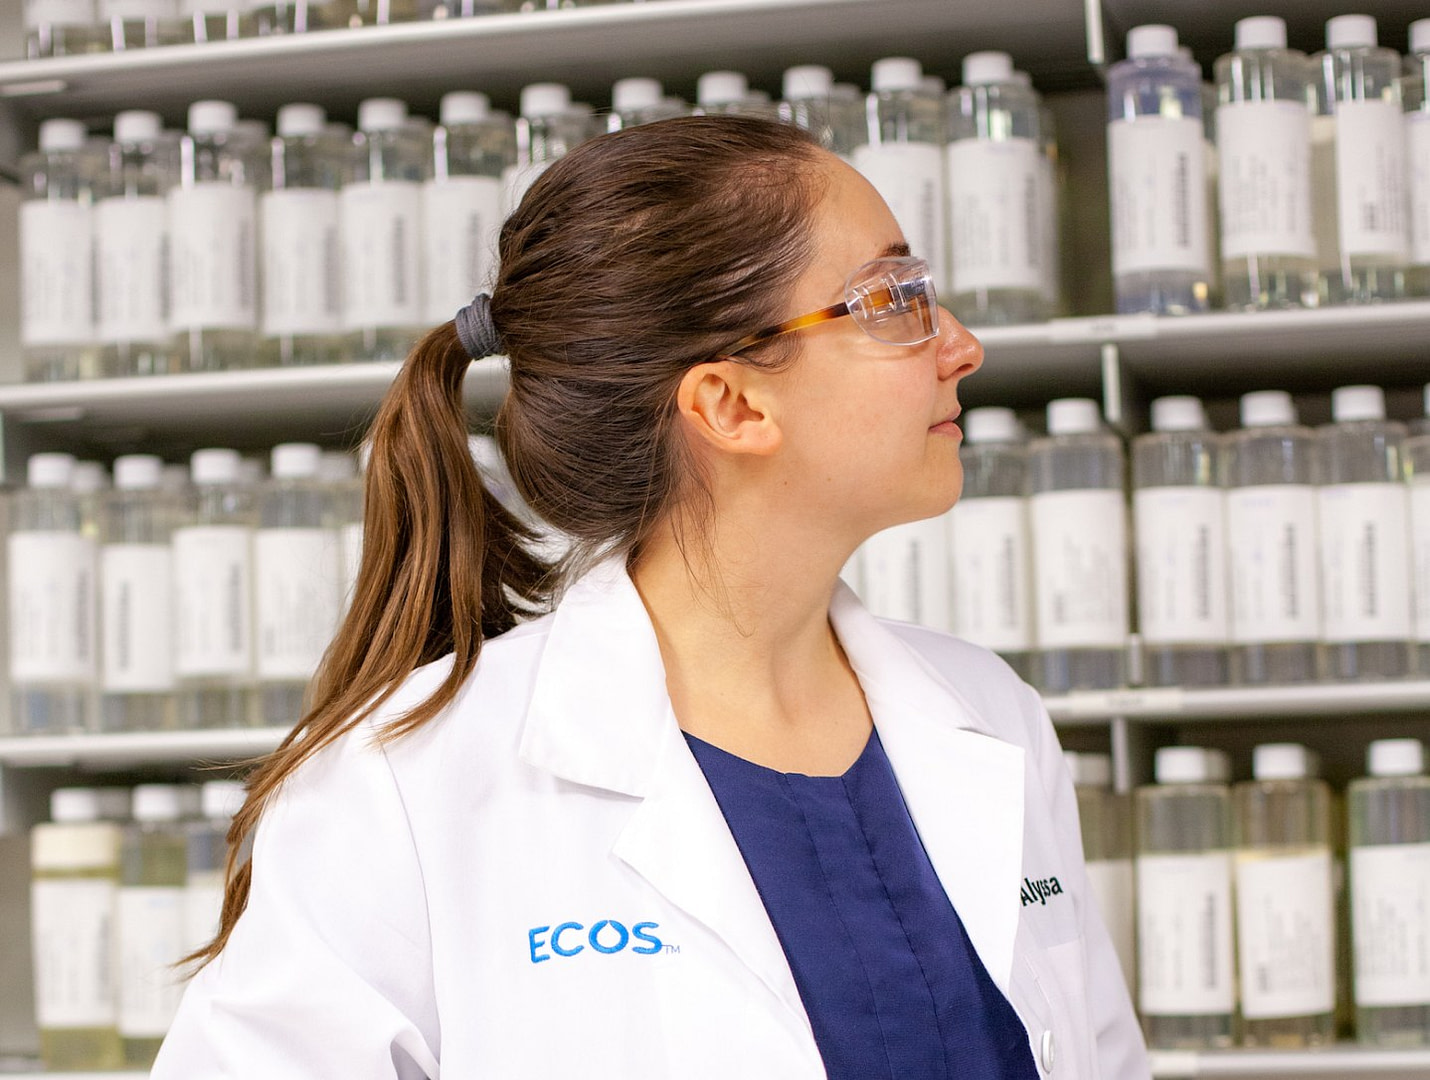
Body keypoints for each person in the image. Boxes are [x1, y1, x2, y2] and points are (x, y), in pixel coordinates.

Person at [154, 115, 1148, 1079]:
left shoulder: (988, 716)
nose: (961, 345)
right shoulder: (402, 790)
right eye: (890, 299)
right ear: (730, 403)